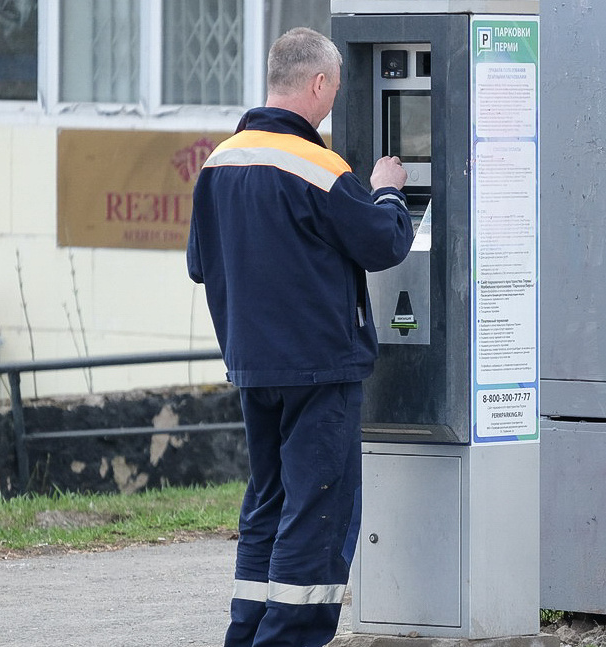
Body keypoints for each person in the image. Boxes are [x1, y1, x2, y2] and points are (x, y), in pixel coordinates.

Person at [186, 27, 412, 647]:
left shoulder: (218, 163)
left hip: (253, 370)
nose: (334, 99)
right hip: (320, 370)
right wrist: (389, 186)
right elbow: (385, 242)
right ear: (317, 84)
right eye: (335, 87)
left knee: (268, 505)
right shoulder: (319, 166)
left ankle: (248, 635)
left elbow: (201, 263)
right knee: (317, 512)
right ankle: (287, 640)